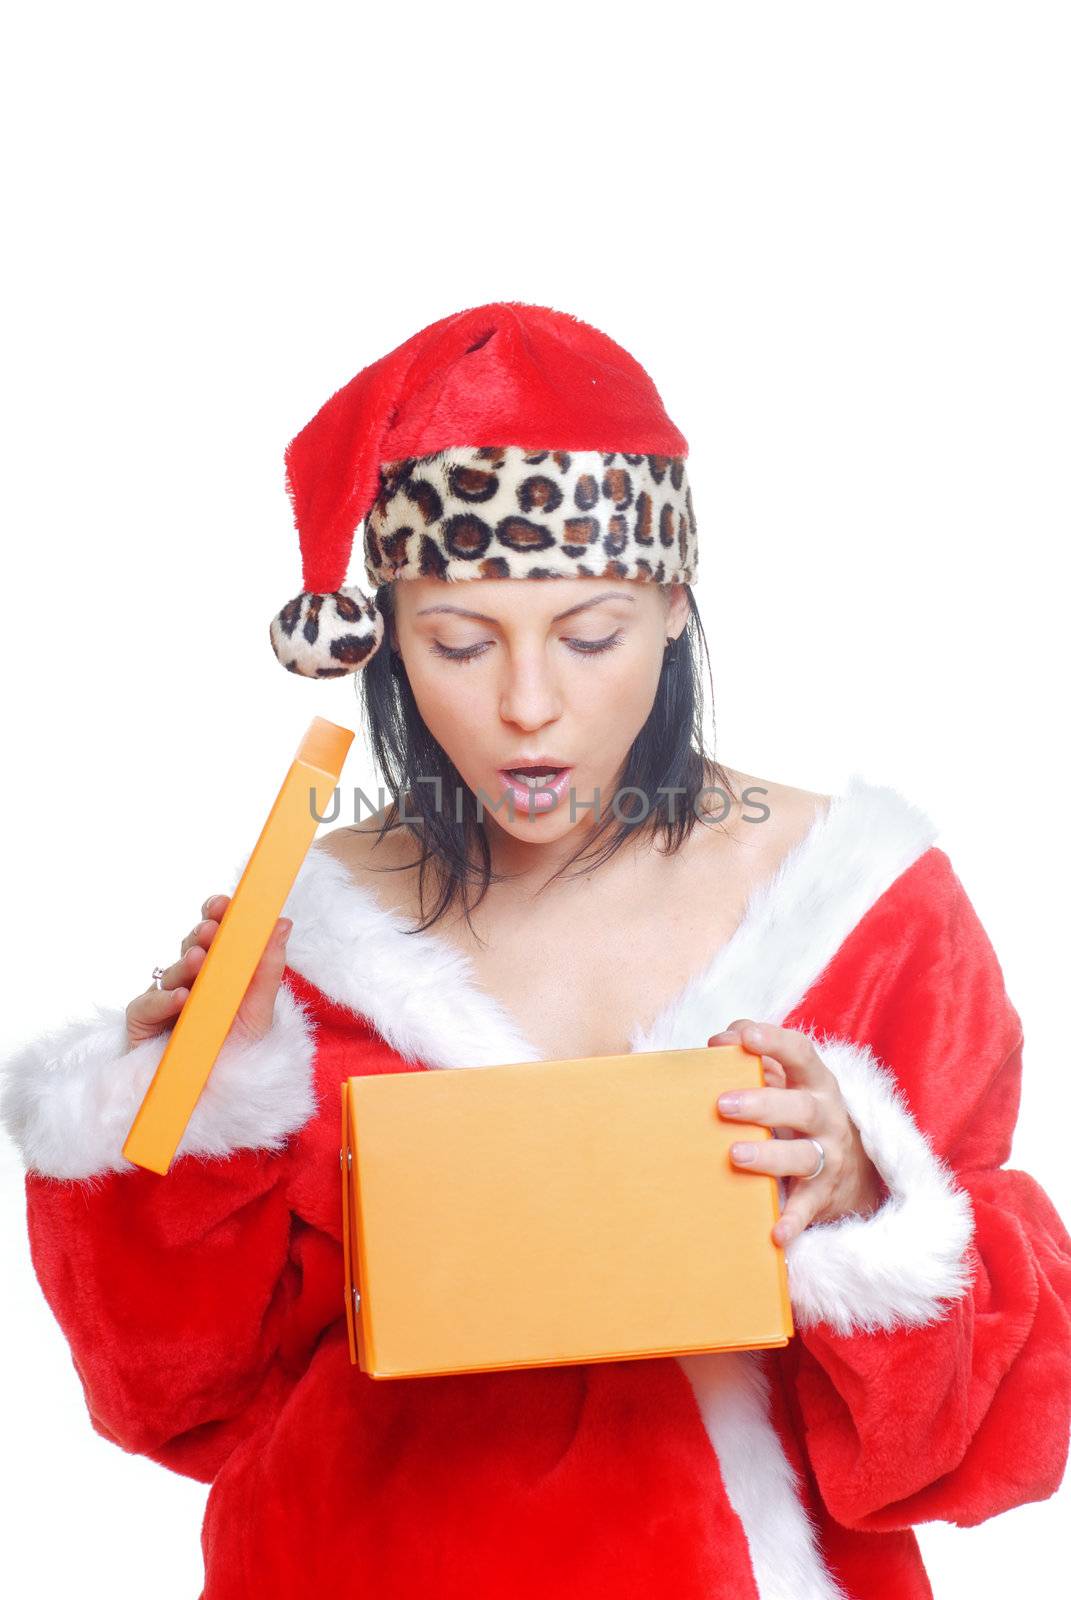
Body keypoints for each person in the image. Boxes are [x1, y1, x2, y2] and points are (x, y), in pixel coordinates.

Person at [4, 301, 1070, 1600]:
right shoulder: (314, 934)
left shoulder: (863, 911)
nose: (527, 706)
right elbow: (175, 1397)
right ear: (387, 635)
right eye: (459, 643)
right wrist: (189, 1109)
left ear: (676, 605)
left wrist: (866, 1203)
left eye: (589, 634)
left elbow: (995, 1433)